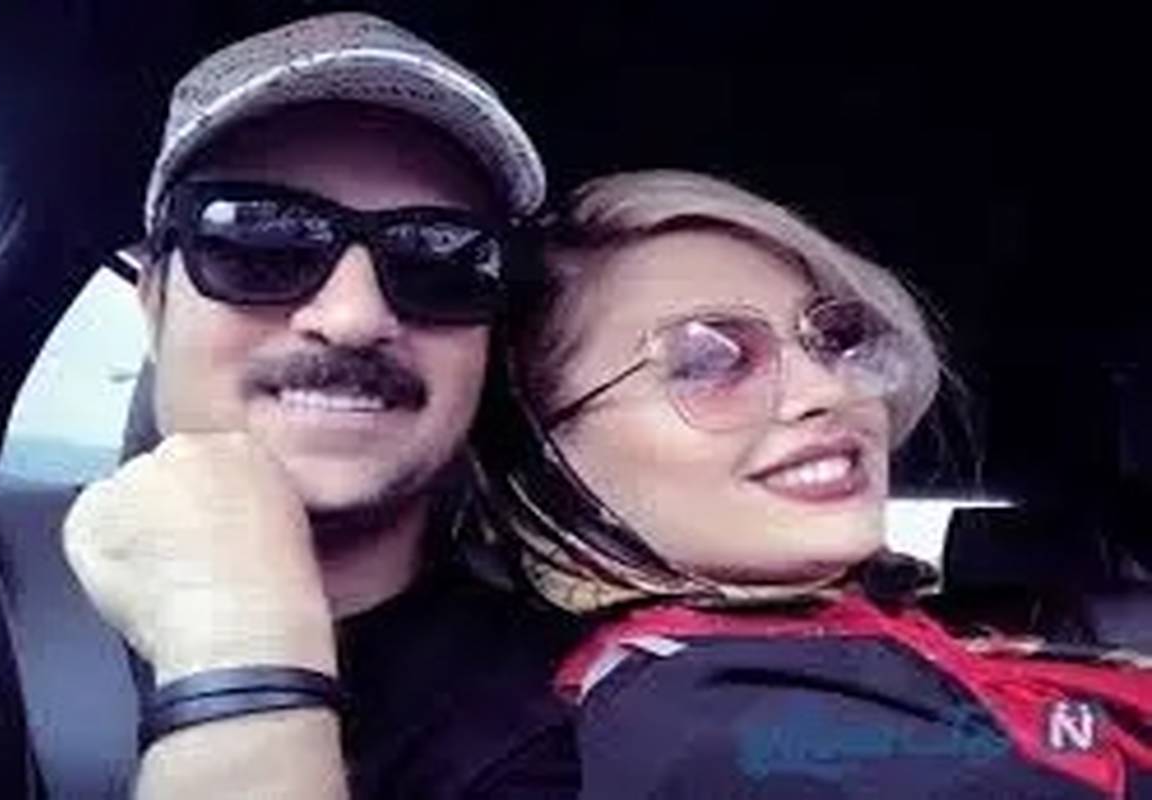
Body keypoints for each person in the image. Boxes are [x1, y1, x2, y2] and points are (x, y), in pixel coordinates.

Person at [472, 169, 1152, 798]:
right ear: (543, 458)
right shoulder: (720, 734)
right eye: (706, 362)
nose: (830, 388)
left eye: (835, 340)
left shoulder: (880, 649)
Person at [62, 13, 580, 799]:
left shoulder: (597, 718)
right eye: (259, 240)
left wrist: (241, 657)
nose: (354, 318)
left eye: (440, 258)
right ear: (155, 303)